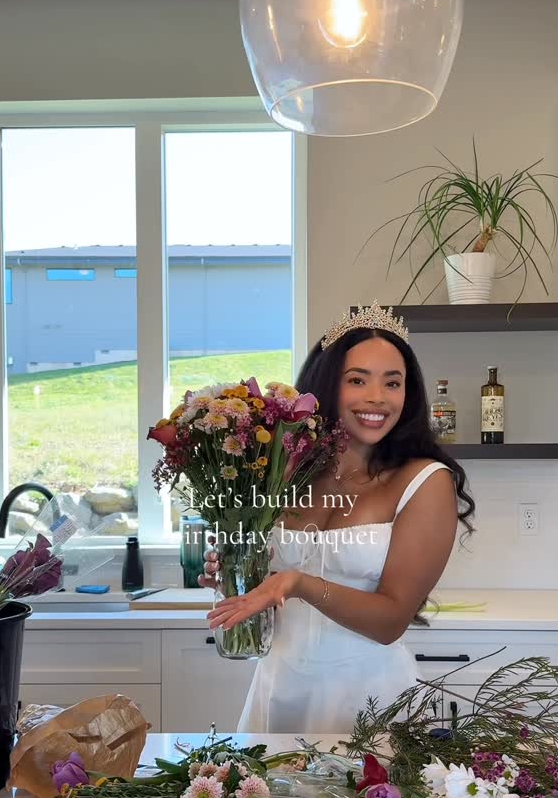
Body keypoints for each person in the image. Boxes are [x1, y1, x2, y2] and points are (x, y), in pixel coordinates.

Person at [200, 303, 475, 733]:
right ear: (326, 386)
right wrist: (236, 575)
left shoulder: (424, 482)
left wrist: (297, 583)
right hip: (277, 689)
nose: (377, 397)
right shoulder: (283, 472)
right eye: (357, 380)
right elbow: (269, 588)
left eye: (393, 383)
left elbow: (390, 622)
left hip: (370, 702)